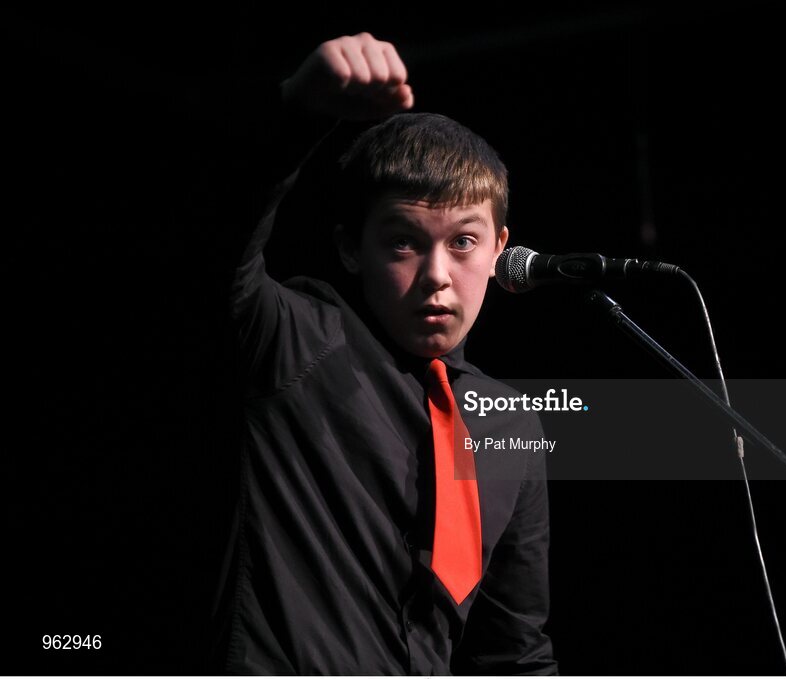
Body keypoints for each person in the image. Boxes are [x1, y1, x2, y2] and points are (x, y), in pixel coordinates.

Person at [210, 32, 557, 674]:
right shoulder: (296, 341)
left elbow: (514, 653)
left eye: (463, 243)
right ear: (351, 248)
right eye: (402, 243)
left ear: (500, 247)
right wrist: (299, 113)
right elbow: (219, 242)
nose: (436, 274)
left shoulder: (512, 426)